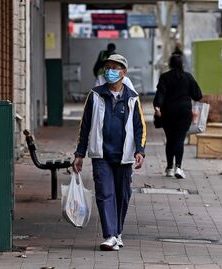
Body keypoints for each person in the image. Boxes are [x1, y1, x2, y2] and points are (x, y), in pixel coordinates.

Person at [73, 54, 146, 251]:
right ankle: (109, 235)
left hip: (124, 156)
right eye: (107, 67)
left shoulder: (132, 98)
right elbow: (85, 125)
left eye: (115, 68)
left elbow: (140, 126)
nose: (110, 71)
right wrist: (79, 153)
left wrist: (140, 151)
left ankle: (117, 232)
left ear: (124, 72)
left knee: (123, 195)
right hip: (101, 155)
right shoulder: (95, 95)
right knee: (105, 193)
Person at [153, 54, 202, 179]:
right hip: (184, 112)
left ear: (169, 64)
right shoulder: (188, 77)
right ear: (182, 64)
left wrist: (157, 107)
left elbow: (160, 94)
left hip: (168, 112)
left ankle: (169, 168)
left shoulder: (165, 77)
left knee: (170, 140)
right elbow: (197, 95)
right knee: (179, 139)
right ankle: (178, 168)